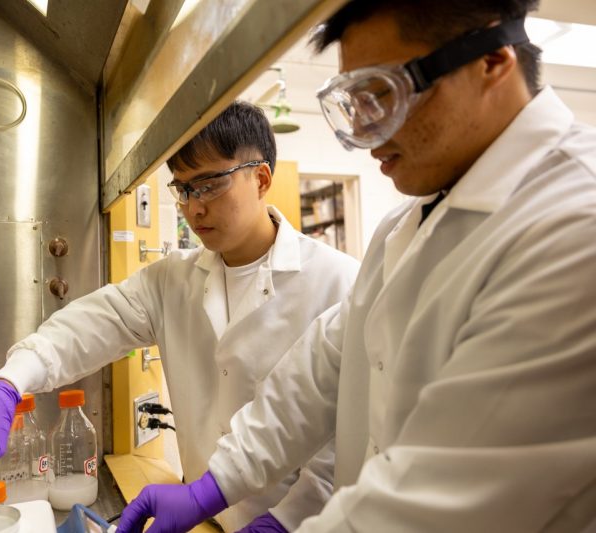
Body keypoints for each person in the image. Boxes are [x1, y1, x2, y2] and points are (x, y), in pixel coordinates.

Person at [116, 1, 596, 532]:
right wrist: (215, 484)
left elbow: (430, 501)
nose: (365, 134)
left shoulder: (575, 225)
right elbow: (322, 369)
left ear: (491, 62)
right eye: (354, 103)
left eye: (382, 95)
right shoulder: (407, 223)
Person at [0, 101, 360, 531]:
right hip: (203, 520)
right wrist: (8, 383)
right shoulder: (172, 279)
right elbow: (88, 325)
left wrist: (286, 521)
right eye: (184, 189)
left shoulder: (338, 280)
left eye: (209, 185)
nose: (194, 208)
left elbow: (348, 440)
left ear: (261, 178)